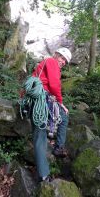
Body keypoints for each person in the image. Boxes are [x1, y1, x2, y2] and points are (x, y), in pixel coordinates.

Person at [30, 47, 72, 182]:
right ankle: (58, 147)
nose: (64, 62)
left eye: (66, 61)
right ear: (56, 55)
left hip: (34, 101)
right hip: (43, 101)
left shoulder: (42, 65)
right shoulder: (51, 62)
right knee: (64, 117)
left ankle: (44, 174)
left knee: (39, 135)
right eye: (62, 58)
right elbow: (54, 86)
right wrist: (60, 103)